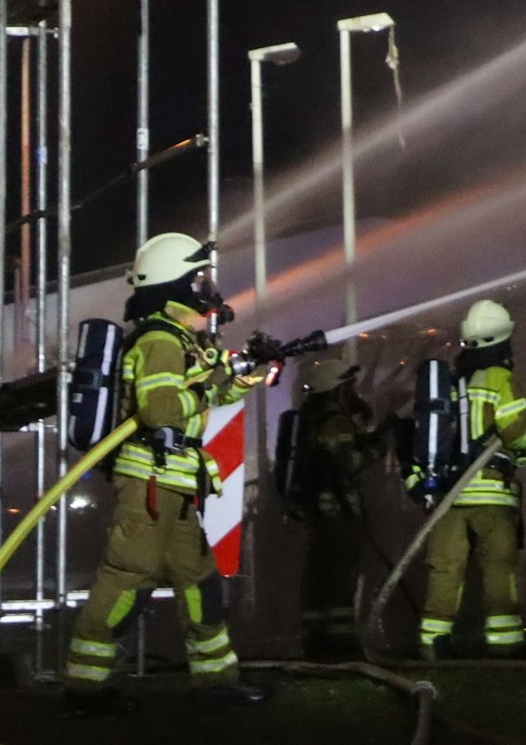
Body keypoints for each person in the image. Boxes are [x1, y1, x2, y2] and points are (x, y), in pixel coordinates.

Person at [62, 233, 272, 716]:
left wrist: (241, 378)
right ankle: (85, 691)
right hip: (151, 486)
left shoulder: (184, 341)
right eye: (198, 278)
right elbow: (160, 410)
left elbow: (208, 396)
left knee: (199, 582)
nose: (206, 287)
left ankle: (217, 679)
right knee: (127, 580)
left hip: (175, 486)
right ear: (174, 286)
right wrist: (208, 388)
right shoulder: (159, 340)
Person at [417, 299, 526, 659]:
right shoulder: (500, 379)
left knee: (445, 570)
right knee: (498, 570)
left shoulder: (453, 382)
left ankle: (432, 644)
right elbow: (515, 435)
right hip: (493, 496)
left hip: (451, 497)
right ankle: (505, 646)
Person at [290, 357, 383, 659]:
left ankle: (315, 641)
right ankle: (340, 645)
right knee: (340, 577)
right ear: (336, 389)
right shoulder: (334, 420)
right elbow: (349, 462)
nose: (352, 391)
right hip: (336, 511)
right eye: (348, 386)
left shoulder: (310, 417)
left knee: (319, 577)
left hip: (318, 509)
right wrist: (380, 445)